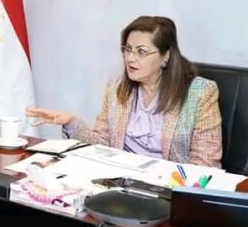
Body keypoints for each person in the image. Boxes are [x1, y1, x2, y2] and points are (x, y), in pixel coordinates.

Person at [27, 16, 222, 167]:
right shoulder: (116, 88)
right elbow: (101, 145)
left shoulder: (201, 93)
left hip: (169, 188)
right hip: (121, 181)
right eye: (128, 49)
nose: (130, 58)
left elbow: (205, 163)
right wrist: (70, 122)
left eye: (141, 51)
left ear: (165, 56)